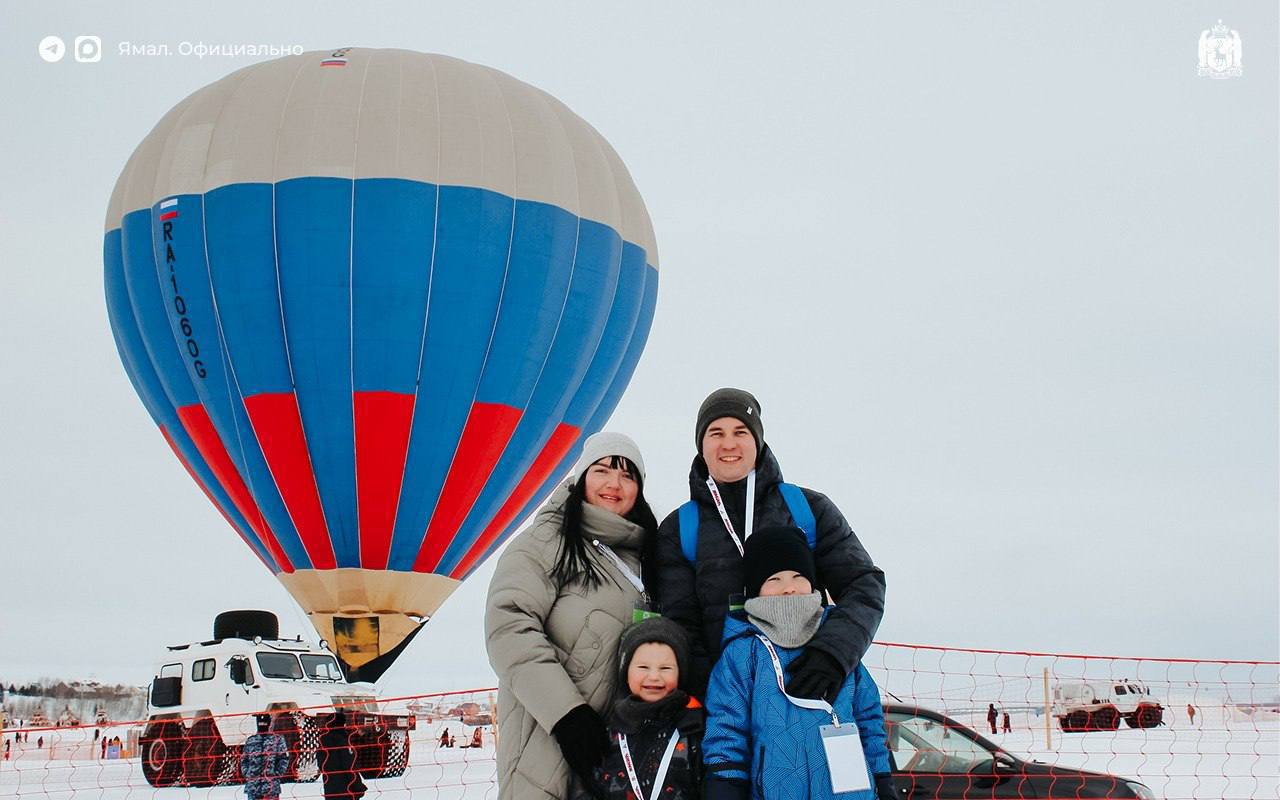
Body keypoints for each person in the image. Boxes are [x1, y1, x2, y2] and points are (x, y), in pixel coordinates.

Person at [656, 388, 886, 699]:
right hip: (727, 708)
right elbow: (679, 624)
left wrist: (831, 654)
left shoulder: (807, 508)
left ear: (758, 440)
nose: (728, 443)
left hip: (808, 692)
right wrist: (717, 692)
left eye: (740, 432)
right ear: (701, 444)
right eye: (715, 433)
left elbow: (864, 583)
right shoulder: (680, 527)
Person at [485, 432, 660, 800]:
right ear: (581, 477)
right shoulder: (547, 540)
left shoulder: (642, 558)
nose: (614, 484)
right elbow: (508, 625)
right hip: (546, 742)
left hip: (613, 753)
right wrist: (567, 715)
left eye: (628, 475)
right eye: (602, 470)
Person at [702, 526, 894, 800]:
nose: (788, 588)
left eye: (798, 576)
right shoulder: (744, 652)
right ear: (755, 588)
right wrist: (725, 786)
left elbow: (868, 719)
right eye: (774, 579)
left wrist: (883, 778)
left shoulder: (837, 645)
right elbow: (727, 729)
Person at [588, 617, 703, 800]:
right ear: (626, 673)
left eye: (665, 668)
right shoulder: (611, 728)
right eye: (643, 667)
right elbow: (594, 786)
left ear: (680, 673)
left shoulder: (693, 726)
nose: (654, 676)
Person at [318, 711, 366, 800]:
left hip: (330, 790)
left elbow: (321, 765)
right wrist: (358, 787)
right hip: (347, 791)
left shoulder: (322, 742)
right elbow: (349, 767)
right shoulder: (343, 741)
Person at [241, 714, 290, 800]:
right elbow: (244, 760)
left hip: (271, 788)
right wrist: (248, 773)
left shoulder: (277, 740)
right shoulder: (251, 740)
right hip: (253, 787)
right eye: (260, 722)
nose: (262, 724)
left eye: (264, 722)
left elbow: (284, 758)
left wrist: (276, 774)